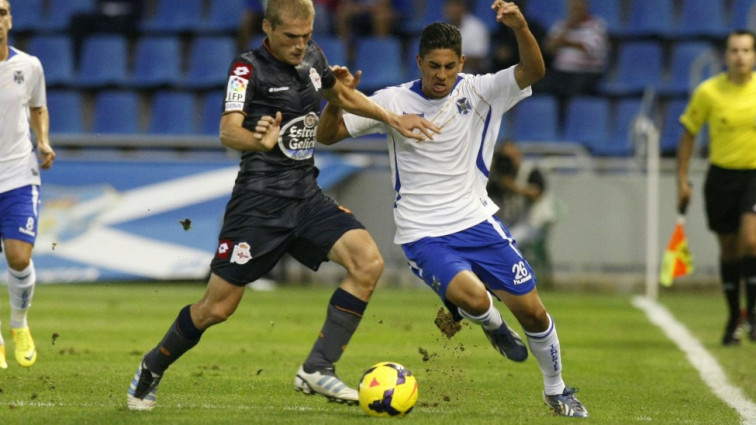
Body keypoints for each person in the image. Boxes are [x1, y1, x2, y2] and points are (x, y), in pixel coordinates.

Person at [125, 0, 437, 411]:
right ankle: (151, 367)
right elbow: (227, 131)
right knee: (217, 308)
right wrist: (258, 140)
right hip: (258, 204)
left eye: (306, 36)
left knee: (368, 262)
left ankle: (317, 368)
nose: (300, 45)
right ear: (267, 28)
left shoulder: (312, 56)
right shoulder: (246, 69)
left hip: (305, 196)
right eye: (291, 37)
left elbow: (338, 92)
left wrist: (392, 119)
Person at [317, 2, 588, 418]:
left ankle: (556, 390)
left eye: (448, 66)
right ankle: (492, 324)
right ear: (419, 62)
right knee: (475, 299)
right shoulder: (392, 100)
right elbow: (328, 136)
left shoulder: (480, 90)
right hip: (422, 232)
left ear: (461, 61)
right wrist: (337, 100)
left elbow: (533, 71)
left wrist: (520, 29)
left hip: (478, 222)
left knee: (533, 311)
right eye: (433, 66)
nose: (441, 75)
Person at [676, 30, 756, 346]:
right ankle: (734, 316)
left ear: (754, 55)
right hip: (721, 177)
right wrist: (681, 179)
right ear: (726, 55)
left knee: (751, 241)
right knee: (728, 249)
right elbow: (689, 133)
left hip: (753, 176)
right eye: (735, 50)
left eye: (747, 50)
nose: (740, 56)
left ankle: (753, 314)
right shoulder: (709, 92)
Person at [0, 0, 56, 369]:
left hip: (18, 173)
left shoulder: (28, 65)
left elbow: (38, 107)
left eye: (2, 12)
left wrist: (43, 140)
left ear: (10, 19)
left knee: (19, 257)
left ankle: (19, 324)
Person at [487, 140, 557, 282]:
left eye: (510, 157)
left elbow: (537, 193)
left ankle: (515, 279)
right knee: (499, 239)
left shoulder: (530, 170)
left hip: (536, 221)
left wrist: (514, 187)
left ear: (518, 155)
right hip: (515, 221)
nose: (508, 162)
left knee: (510, 241)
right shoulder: (500, 176)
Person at [535, 0, 609, 100]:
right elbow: (548, 48)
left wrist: (566, 43)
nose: (575, 8)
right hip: (561, 72)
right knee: (537, 85)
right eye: (572, 5)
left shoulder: (597, 25)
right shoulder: (561, 25)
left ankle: (573, 114)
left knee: (575, 90)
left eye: (578, 5)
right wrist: (568, 28)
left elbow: (595, 50)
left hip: (586, 73)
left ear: (586, 6)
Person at [443, 0, 490, 74]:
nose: (453, 9)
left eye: (456, 5)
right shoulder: (440, 29)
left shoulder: (477, 28)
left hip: (473, 76)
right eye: (450, 5)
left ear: (464, 7)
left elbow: (477, 59)